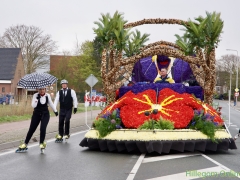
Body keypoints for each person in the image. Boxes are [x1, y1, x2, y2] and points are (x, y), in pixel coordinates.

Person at [16, 87, 58, 153]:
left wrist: (55, 111)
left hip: (45, 115)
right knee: (32, 129)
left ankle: (41, 143)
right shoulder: (35, 95)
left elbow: (51, 103)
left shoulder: (47, 95)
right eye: (40, 89)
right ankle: (25, 144)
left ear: (45, 90)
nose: (42, 91)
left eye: (43, 89)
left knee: (43, 128)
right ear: (38, 90)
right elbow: (33, 106)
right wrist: (36, 100)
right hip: (36, 115)